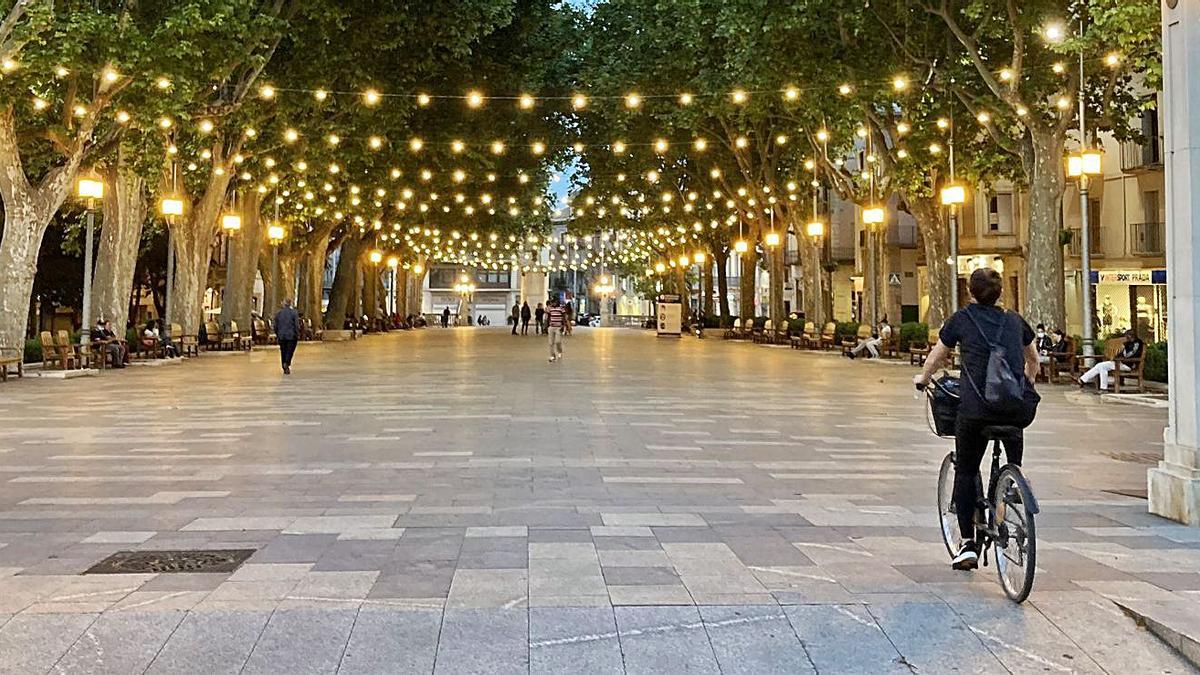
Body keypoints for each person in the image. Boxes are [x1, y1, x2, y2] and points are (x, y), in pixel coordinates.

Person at [914, 268, 1039, 571]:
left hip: (975, 410)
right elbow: (1033, 360)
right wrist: (1027, 384)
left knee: (967, 470)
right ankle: (1013, 480)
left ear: (970, 292)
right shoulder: (1014, 320)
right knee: (1012, 430)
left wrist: (923, 378)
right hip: (1016, 410)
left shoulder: (962, 319)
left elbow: (937, 356)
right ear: (1000, 294)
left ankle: (967, 545)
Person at [1079, 329, 1144, 391]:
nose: (1126, 338)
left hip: (1129, 364)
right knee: (1100, 365)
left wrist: (1120, 358)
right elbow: (1121, 353)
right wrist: (1115, 358)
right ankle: (1083, 380)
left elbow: (1131, 355)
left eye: (1127, 336)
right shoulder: (1128, 343)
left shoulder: (1137, 343)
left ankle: (1102, 387)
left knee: (1102, 366)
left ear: (1131, 336)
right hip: (1120, 363)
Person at [273, 298, 301, 374]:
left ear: (283, 304)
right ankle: (287, 363)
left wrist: (277, 333)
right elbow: (296, 325)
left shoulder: (278, 313)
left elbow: (275, 325)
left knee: (283, 350)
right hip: (291, 335)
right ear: (290, 304)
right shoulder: (294, 313)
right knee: (290, 350)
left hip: (281, 335)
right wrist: (297, 333)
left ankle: (284, 364)